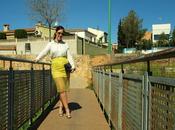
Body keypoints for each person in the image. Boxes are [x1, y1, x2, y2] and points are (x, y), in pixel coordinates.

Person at [35, 25, 75, 119]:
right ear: (55, 33)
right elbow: (44, 52)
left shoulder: (65, 44)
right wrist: (37, 58)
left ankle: (61, 107)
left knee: (64, 89)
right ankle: (67, 109)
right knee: (61, 89)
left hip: (65, 68)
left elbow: (69, 56)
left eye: (62, 33)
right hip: (56, 69)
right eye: (59, 33)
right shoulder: (50, 44)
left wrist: (73, 65)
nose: (60, 35)